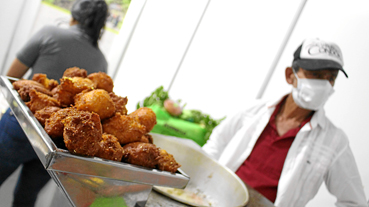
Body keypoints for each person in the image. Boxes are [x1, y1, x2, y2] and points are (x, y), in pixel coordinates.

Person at [202, 38, 368, 206]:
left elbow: (355, 202)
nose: (324, 84)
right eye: (316, 74)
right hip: (215, 200)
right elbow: (215, 145)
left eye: (331, 78)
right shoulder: (254, 110)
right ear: (290, 75)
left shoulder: (334, 141)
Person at [0, 0, 108, 206]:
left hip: (20, 126)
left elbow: (12, 77)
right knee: (25, 198)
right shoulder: (101, 62)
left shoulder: (50, 32)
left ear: (73, 16)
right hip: (57, 144)